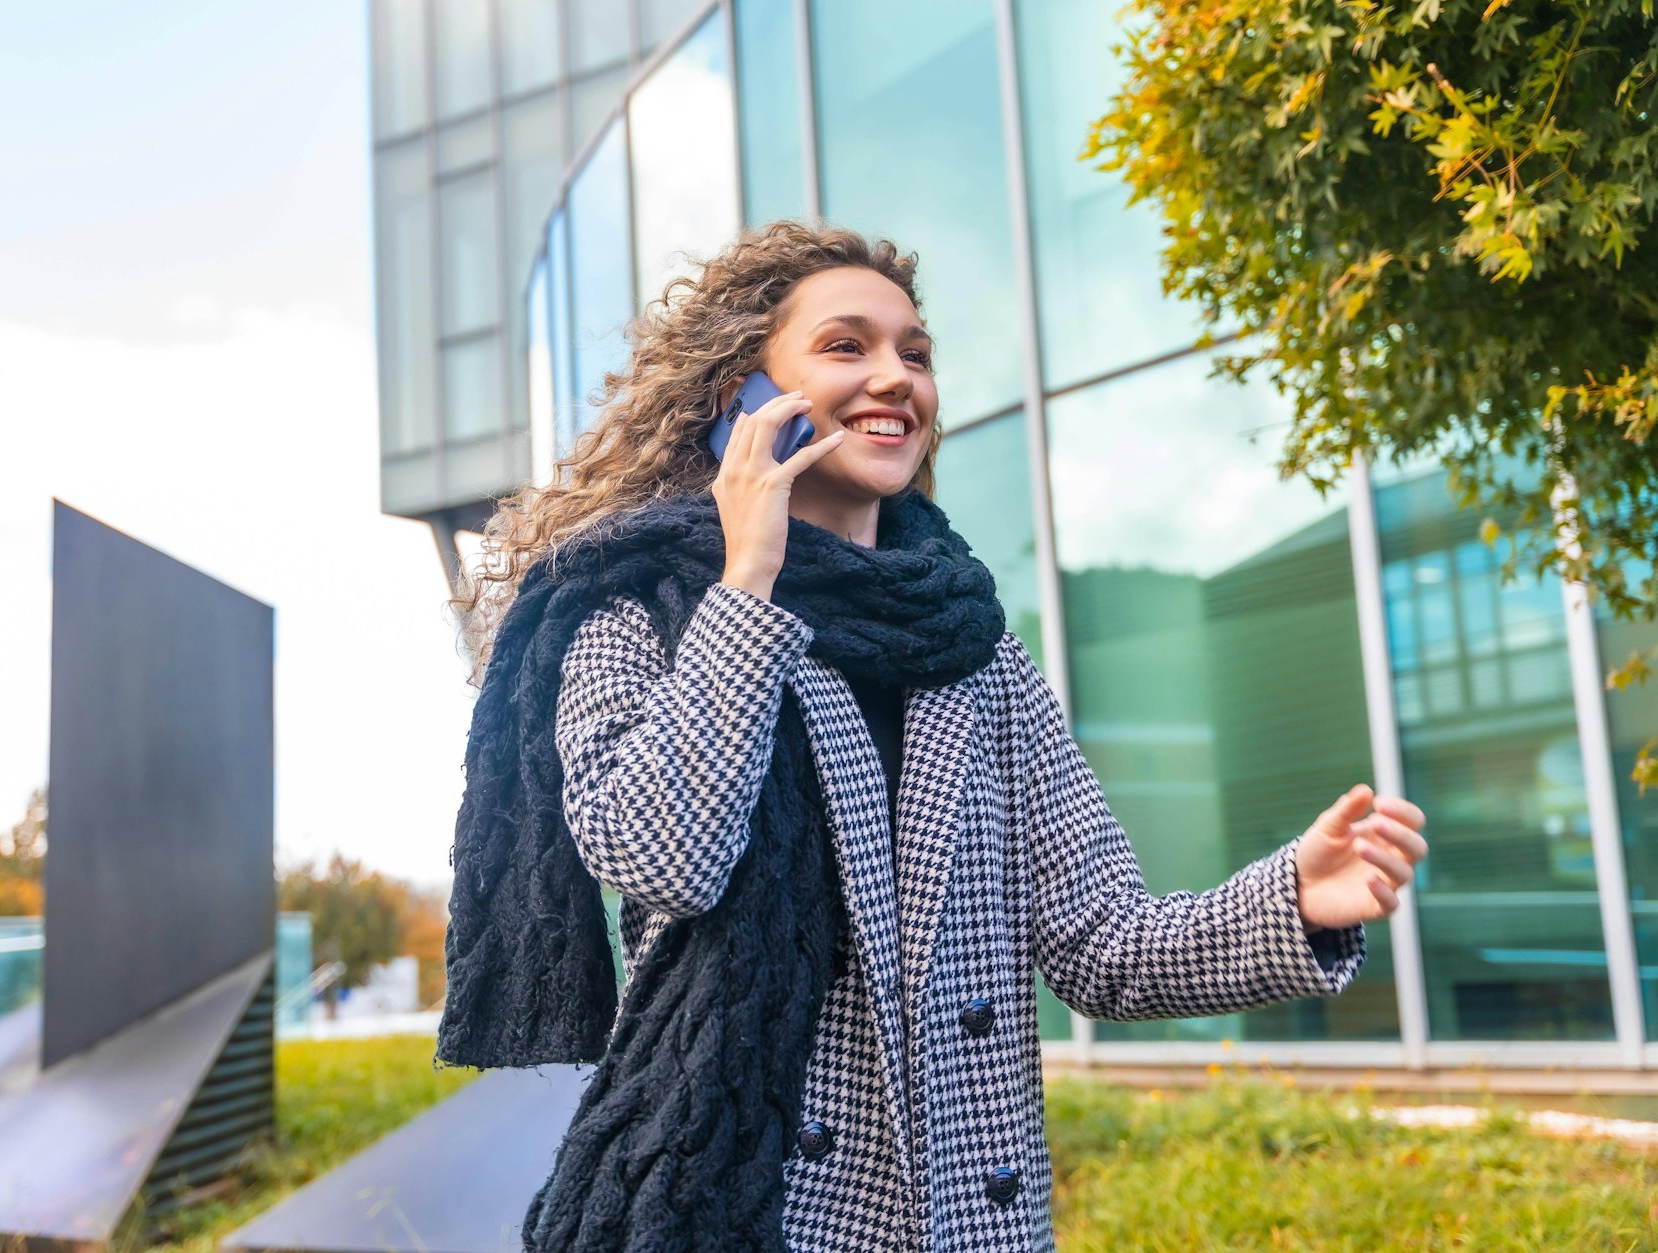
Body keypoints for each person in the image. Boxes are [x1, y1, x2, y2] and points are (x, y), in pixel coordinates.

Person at [438, 220, 1428, 1253]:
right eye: (844, 345)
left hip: (965, 1224)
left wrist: (1295, 900)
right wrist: (746, 578)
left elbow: (1100, 944)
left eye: (914, 353)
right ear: (743, 396)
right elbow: (663, 856)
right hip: (727, 1212)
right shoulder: (637, 615)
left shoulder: (974, 649)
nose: (894, 377)